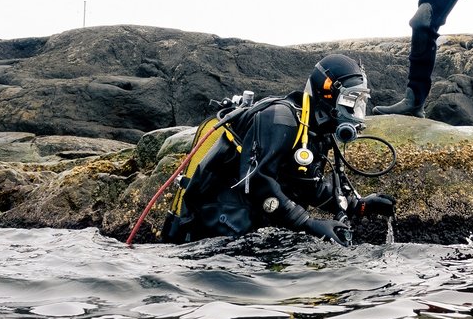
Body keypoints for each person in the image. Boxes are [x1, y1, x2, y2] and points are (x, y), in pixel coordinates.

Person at [161, 54, 396, 245]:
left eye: (360, 102)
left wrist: (358, 206)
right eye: (351, 100)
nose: (356, 111)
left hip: (250, 224)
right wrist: (307, 223)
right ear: (328, 92)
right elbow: (257, 182)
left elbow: (308, 185)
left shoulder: (315, 129)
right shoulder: (279, 119)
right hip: (219, 221)